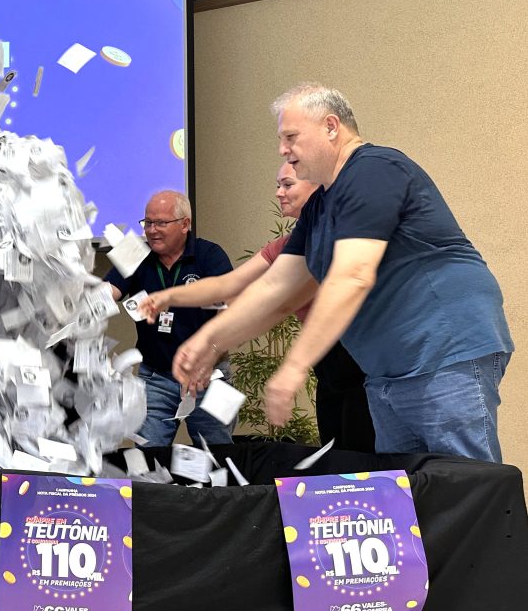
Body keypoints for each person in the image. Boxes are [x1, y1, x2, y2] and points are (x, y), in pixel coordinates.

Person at [173, 83, 513, 462]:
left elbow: (353, 276)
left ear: (331, 127)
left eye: (291, 137)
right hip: (386, 375)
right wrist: (211, 341)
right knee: (404, 489)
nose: (282, 149)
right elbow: (276, 290)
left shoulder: (374, 169)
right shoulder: (318, 206)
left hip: (444, 356)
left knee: (465, 485)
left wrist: (294, 367)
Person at [139, 163, 375, 452]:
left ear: (316, 187)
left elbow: (279, 303)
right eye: (278, 185)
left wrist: (291, 368)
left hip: (366, 362)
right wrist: (169, 298)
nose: (278, 193)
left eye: (287, 184)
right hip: (329, 367)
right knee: (337, 455)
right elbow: (229, 286)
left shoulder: (340, 238)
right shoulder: (287, 245)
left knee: (367, 456)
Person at [105, 190, 234, 448]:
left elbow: (230, 313)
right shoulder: (134, 252)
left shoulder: (210, 255)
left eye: (161, 223)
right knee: (148, 455)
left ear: (185, 224)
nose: (152, 230)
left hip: (208, 373)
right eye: (148, 223)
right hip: (156, 377)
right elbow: (105, 294)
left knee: (218, 454)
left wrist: (210, 356)